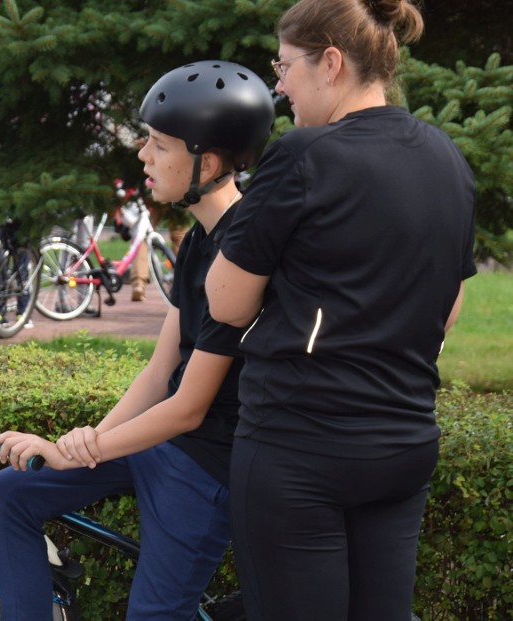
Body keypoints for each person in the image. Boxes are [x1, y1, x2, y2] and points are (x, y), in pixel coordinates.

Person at [204, 1, 477, 620]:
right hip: (404, 444)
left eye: (284, 66)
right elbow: (450, 306)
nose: (278, 84)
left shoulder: (305, 155)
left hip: (300, 449)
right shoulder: (445, 157)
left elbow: (225, 301)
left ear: (330, 63)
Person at [0, 60, 274, 621]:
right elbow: (159, 370)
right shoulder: (197, 240)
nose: (143, 154)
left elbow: (188, 408)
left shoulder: (242, 250)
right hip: (161, 446)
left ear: (206, 162)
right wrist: (83, 444)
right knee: (9, 494)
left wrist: (82, 451)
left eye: (160, 144)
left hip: (205, 468)